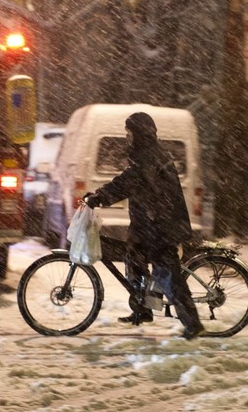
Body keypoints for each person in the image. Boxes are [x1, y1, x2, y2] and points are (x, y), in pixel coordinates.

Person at [83, 112, 205, 339]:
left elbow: (128, 182)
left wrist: (100, 197)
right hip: (148, 222)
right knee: (134, 260)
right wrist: (101, 195)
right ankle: (143, 309)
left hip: (161, 224)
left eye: (129, 132)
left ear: (139, 133)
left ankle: (193, 323)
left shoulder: (149, 156)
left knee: (166, 274)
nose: (127, 136)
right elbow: (130, 180)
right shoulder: (146, 154)